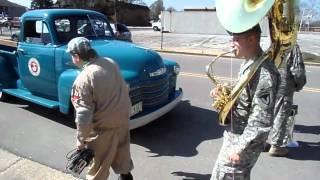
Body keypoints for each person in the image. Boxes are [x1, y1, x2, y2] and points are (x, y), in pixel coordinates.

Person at [210, 25, 279, 180]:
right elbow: (246, 93)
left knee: (225, 176)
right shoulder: (250, 62)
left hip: (242, 141)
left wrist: (240, 149)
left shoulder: (265, 73)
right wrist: (226, 92)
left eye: (236, 39)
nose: (231, 43)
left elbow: (261, 120)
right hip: (235, 134)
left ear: (252, 39)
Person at [66, 37, 134, 180]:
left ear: (76, 56)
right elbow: (124, 88)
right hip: (122, 123)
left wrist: (81, 139)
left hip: (102, 131)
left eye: (71, 55)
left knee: (97, 172)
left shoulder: (84, 78)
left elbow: (84, 114)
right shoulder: (110, 62)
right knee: (123, 163)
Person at [268, 44, 306, 156]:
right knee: (281, 115)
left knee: (265, 113)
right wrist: (299, 85)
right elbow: (298, 71)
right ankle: (276, 146)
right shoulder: (292, 46)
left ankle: (261, 142)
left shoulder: (269, 43)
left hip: (266, 85)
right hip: (283, 87)